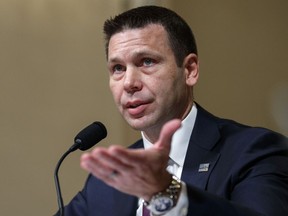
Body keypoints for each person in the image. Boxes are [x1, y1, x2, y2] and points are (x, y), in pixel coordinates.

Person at [57, 5, 288, 216]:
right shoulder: (106, 182)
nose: (129, 83)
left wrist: (166, 193)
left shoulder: (256, 152)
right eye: (118, 68)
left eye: (146, 62)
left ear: (189, 70)